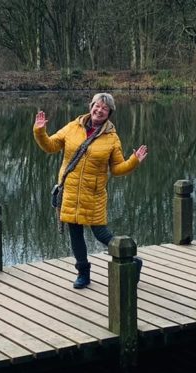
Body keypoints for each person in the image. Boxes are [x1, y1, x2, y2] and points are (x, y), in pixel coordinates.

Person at [33, 93, 148, 289]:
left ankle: (130, 259)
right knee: (75, 235)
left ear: (109, 113)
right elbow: (50, 146)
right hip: (70, 192)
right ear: (91, 106)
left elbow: (117, 169)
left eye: (105, 108)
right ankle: (83, 273)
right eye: (97, 106)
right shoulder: (73, 127)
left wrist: (134, 161)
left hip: (94, 194)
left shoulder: (112, 138)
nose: (99, 110)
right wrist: (40, 131)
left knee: (101, 233)